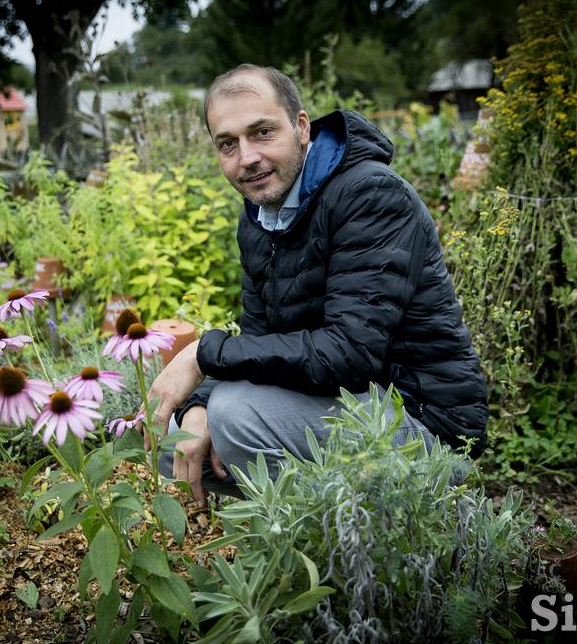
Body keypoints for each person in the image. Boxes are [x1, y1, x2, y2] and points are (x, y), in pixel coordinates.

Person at [146, 64, 487, 505]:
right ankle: (315, 529)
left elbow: (350, 354)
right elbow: (260, 338)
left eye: (262, 132)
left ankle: (341, 549)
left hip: (425, 426)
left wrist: (203, 354)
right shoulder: (260, 216)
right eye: (227, 144)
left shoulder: (371, 195)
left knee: (233, 417)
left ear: (301, 127)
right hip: (341, 406)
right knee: (169, 434)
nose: (247, 157)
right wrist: (198, 405)